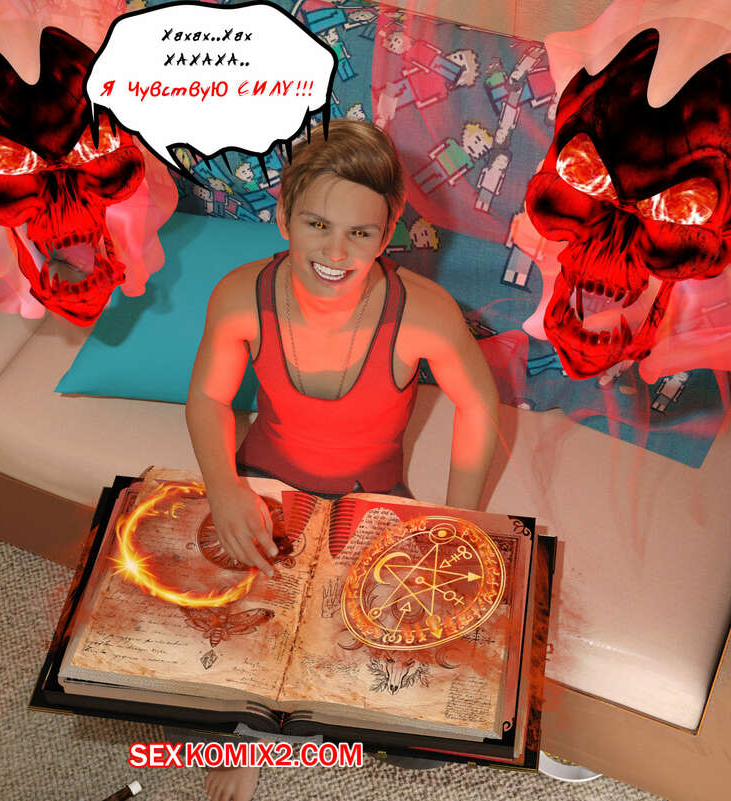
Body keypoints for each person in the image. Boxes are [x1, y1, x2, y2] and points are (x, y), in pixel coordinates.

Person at [183, 119, 499, 801]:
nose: (335, 251)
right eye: (317, 225)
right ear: (283, 219)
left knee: (419, 724)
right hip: (264, 483)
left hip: (371, 498)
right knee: (202, 624)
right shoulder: (240, 294)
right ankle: (252, 730)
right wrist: (223, 486)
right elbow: (207, 396)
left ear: (386, 236)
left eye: (359, 232)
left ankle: (293, 715)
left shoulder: (424, 312)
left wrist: (457, 525)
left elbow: (478, 406)